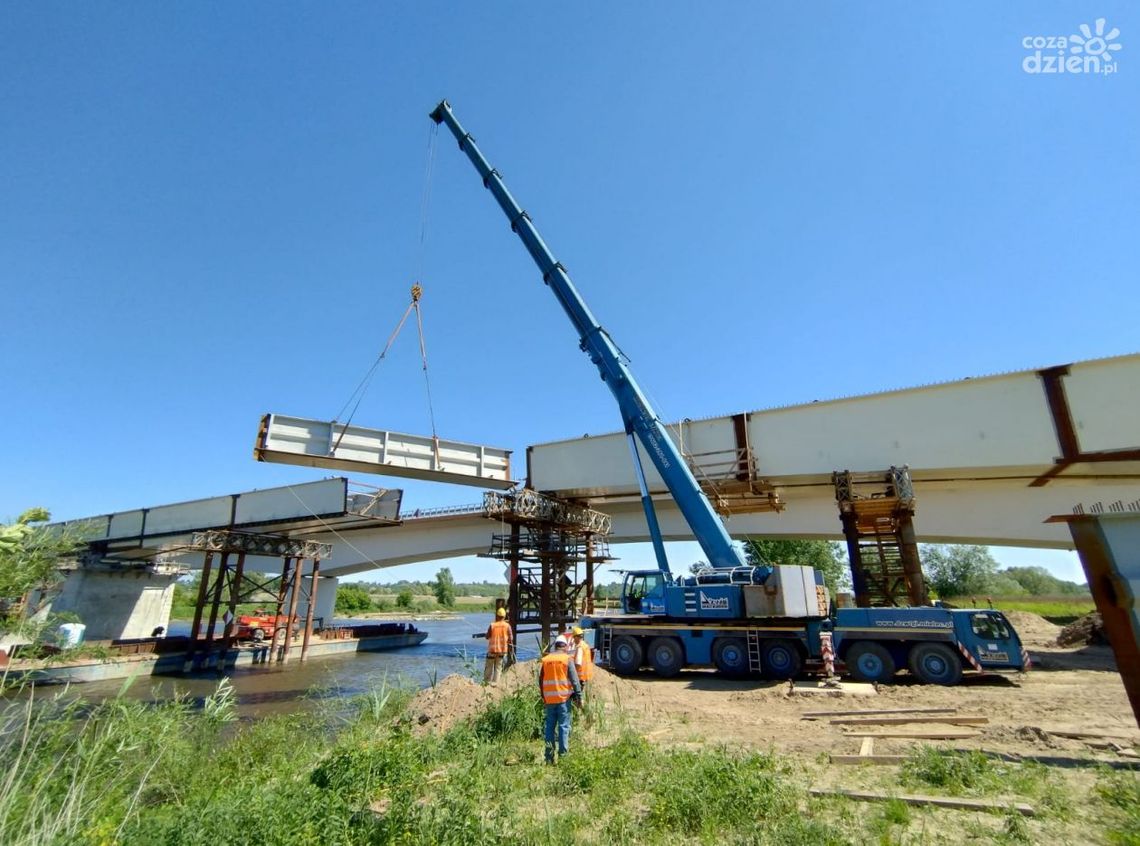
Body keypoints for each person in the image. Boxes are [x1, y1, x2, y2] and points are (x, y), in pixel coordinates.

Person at [539, 635, 581, 764]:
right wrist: (579, 695)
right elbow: (574, 680)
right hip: (563, 699)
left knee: (549, 728)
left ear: (555, 645)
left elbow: (540, 680)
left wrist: (543, 696)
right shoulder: (567, 659)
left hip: (549, 700)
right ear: (565, 646)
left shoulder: (545, 660)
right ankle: (563, 758)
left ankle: (548, 757)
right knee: (563, 727)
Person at [483, 607, 513, 684]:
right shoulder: (507, 626)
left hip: (492, 650)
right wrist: (509, 644)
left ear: (497, 616)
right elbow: (511, 639)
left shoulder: (492, 625)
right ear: (504, 616)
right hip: (502, 651)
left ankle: (486, 683)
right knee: (498, 668)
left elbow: (487, 637)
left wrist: (486, 635)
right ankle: (495, 683)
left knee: (489, 667)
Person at [570, 625, 594, 695]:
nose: (573, 640)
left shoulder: (579, 647)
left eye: (574, 638)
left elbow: (578, 663)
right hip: (586, 675)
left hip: (580, 677)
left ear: (576, 637)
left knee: (577, 696)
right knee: (581, 695)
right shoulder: (585, 645)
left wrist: (573, 675)